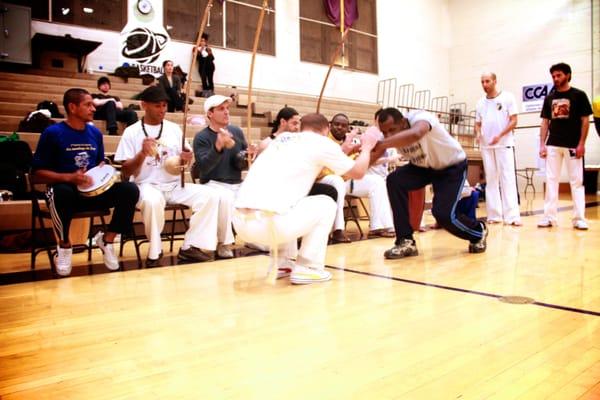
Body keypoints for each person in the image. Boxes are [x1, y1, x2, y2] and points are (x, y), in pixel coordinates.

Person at [233, 113, 378, 284]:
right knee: (326, 203)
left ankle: (282, 264)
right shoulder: (323, 143)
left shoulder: (283, 138)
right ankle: (308, 268)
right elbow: (358, 172)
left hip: (240, 223)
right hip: (270, 226)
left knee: (291, 202)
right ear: (327, 130)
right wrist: (367, 147)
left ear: (302, 128)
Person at [115, 86, 231, 267]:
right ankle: (155, 250)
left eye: (164, 106)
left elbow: (185, 158)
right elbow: (125, 171)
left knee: (212, 195)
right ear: (144, 105)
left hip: (175, 185)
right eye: (157, 106)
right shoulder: (131, 132)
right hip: (147, 185)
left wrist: (186, 158)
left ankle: (191, 246)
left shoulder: (174, 129)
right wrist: (142, 154)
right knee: (152, 201)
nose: (162, 110)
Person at [32, 88, 139, 276]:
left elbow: (98, 164)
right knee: (62, 192)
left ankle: (107, 239)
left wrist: (103, 167)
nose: (93, 109)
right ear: (72, 107)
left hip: (91, 192)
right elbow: (36, 175)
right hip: (65, 193)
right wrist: (68, 177)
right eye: (88, 105)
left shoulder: (95, 134)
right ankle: (64, 246)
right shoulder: (52, 132)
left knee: (129, 190)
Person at [373, 107, 487, 259]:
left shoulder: (420, 117)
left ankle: (478, 231)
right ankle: (405, 241)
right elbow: (372, 157)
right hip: (423, 168)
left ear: (403, 121)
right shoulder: (389, 138)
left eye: (392, 130)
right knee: (395, 180)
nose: (388, 135)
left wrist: (382, 143)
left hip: (451, 167)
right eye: (384, 132)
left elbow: (417, 133)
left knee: (443, 215)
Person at [538, 63, 593, 230]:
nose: (556, 79)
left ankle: (579, 219)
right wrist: (542, 144)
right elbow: (545, 122)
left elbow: (585, 121)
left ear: (568, 75)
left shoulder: (579, 95)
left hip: (573, 145)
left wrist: (581, 144)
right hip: (553, 144)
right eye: (553, 76)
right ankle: (549, 217)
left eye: (559, 75)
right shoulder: (549, 98)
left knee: (576, 181)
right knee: (551, 180)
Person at [193, 94, 247, 253]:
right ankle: (224, 243)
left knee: (257, 193)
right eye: (221, 109)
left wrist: (248, 156)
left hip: (236, 182)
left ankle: (254, 237)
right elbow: (203, 167)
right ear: (210, 114)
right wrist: (218, 147)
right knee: (225, 198)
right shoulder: (201, 137)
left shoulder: (236, 131)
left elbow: (240, 164)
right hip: (213, 183)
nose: (226, 112)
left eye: (227, 108)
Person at [474, 73, 521, 226]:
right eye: (482, 82)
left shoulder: (508, 97)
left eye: (487, 81)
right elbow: (477, 123)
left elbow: (514, 121)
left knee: (507, 179)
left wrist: (500, 135)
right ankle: (494, 215)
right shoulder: (480, 103)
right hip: (486, 146)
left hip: (504, 144)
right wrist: (478, 134)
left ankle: (512, 216)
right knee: (491, 180)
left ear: (495, 81)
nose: (484, 84)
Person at [196, 33, 215, 98]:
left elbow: (212, 58)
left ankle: (211, 93)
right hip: (202, 67)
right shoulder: (196, 49)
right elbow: (196, 58)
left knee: (210, 80)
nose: (202, 42)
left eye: (204, 41)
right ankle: (205, 93)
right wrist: (201, 50)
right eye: (201, 41)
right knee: (203, 79)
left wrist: (207, 52)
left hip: (210, 66)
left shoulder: (208, 49)